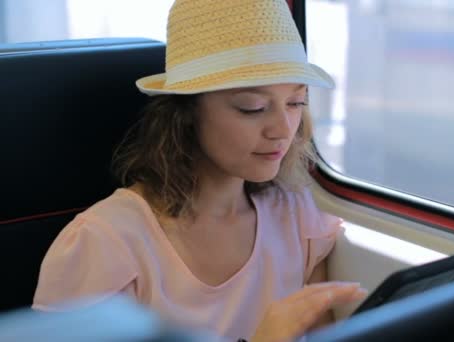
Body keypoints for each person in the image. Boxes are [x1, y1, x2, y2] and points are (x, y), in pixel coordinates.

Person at [31, 0, 367, 341]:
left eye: (296, 103)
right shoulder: (105, 243)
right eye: (253, 107)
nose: (283, 128)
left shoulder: (295, 220)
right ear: (186, 111)